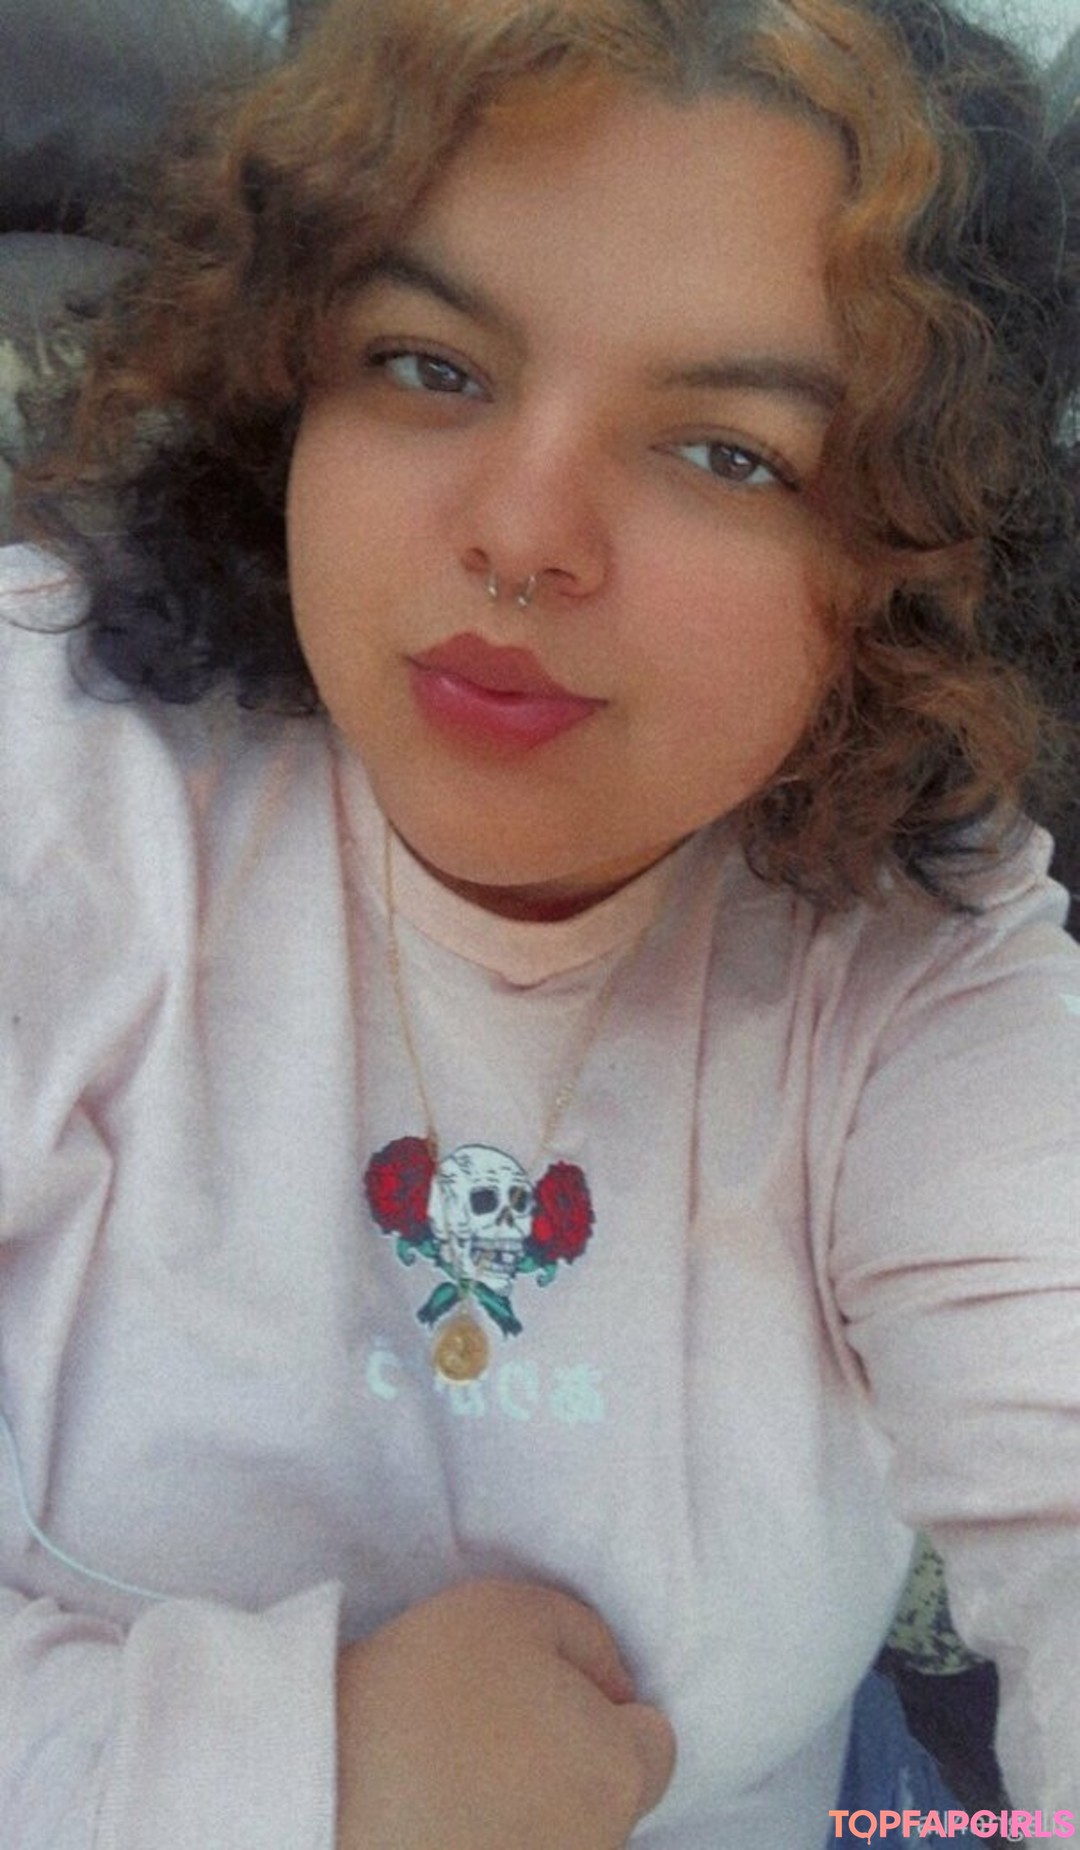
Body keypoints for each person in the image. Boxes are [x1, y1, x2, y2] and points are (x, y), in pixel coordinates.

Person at [1, 0, 1078, 1845]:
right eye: (429, 364)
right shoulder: (55, 766)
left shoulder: (918, 954)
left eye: (729, 453)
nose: (521, 531)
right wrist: (286, 1779)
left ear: (908, 562)